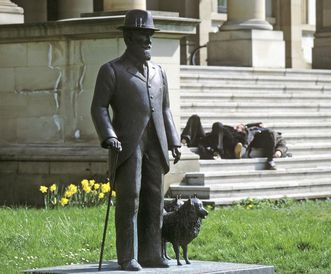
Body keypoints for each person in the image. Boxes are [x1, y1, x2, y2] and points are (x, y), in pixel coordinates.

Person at [91, 10, 181, 271]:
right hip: (128, 144)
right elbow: (98, 108)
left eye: (150, 36)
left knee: (154, 198)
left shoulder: (159, 72)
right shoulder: (112, 70)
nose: (149, 42)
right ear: (129, 38)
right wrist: (108, 135)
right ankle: (127, 256)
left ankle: (152, 253)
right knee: (130, 199)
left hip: (156, 142)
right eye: (144, 36)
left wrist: (174, 140)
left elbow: (165, 109)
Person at [181, 115, 289, 170]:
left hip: (220, 146)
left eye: (241, 128)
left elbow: (281, 143)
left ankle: (216, 152)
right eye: (238, 126)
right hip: (206, 140)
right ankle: (184, 140)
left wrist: (279, 151)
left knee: (218, 125)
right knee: (195, 118)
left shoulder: (251, 135)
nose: (238, 128)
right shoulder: (227, 129)